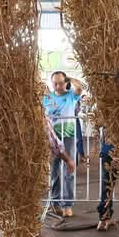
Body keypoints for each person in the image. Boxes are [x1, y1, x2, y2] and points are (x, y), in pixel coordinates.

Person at [43, 71, 79, 217]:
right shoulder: (47, 98)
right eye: (55, 83)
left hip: (68, 135)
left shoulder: (71, 95)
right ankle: (55, 202)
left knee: (69, 170)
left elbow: (80, 88)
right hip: (52, 138)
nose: (57, 86)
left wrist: (70, 79)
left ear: (66, 82)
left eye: (60, 82)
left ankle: (67, 204)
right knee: (54, 171)